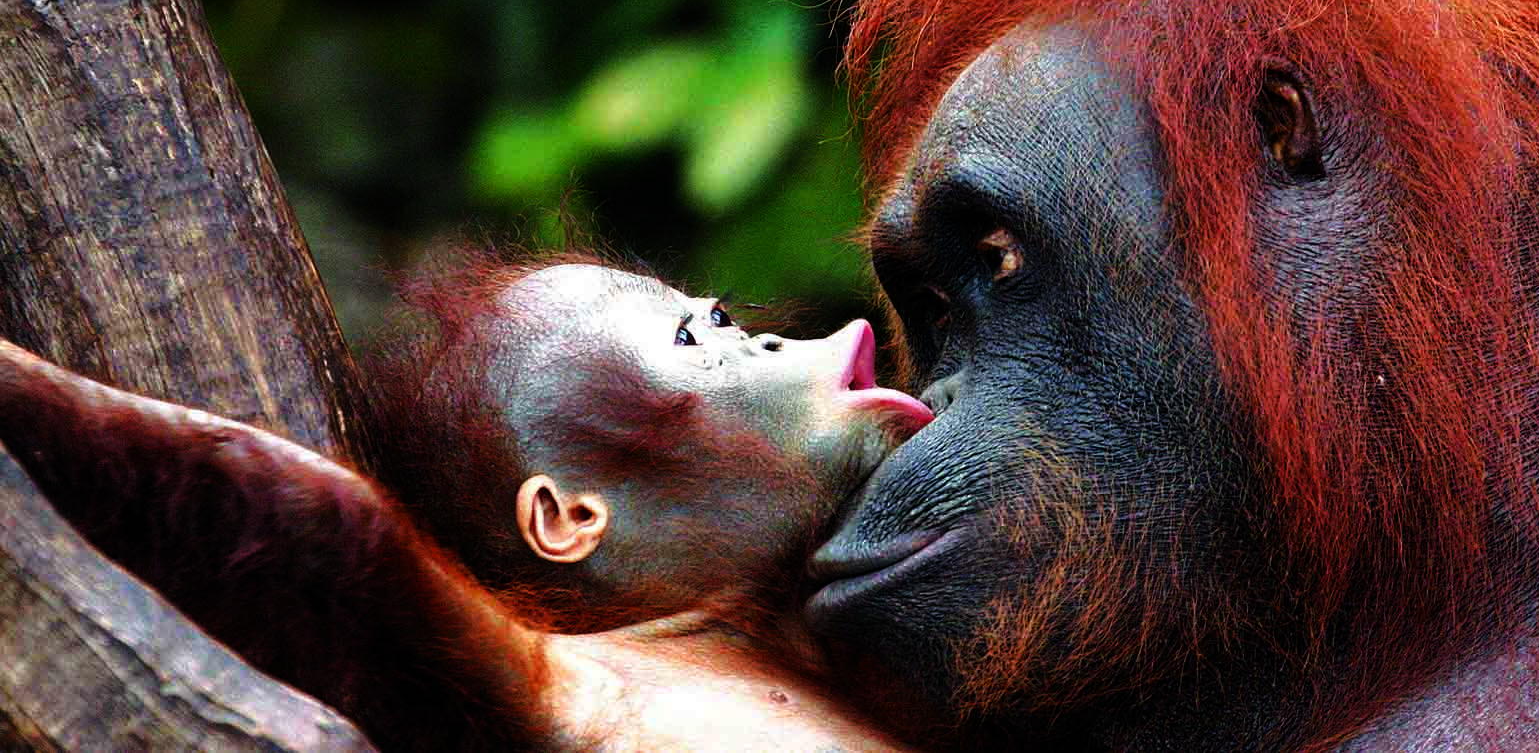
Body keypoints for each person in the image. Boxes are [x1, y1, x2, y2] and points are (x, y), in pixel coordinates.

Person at [0, 255, 931, 752]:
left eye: (734, 322)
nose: (772, 344)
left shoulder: (881, 648)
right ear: (570, 518)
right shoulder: (588, 691)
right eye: (704, 333)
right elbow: (318, 527)